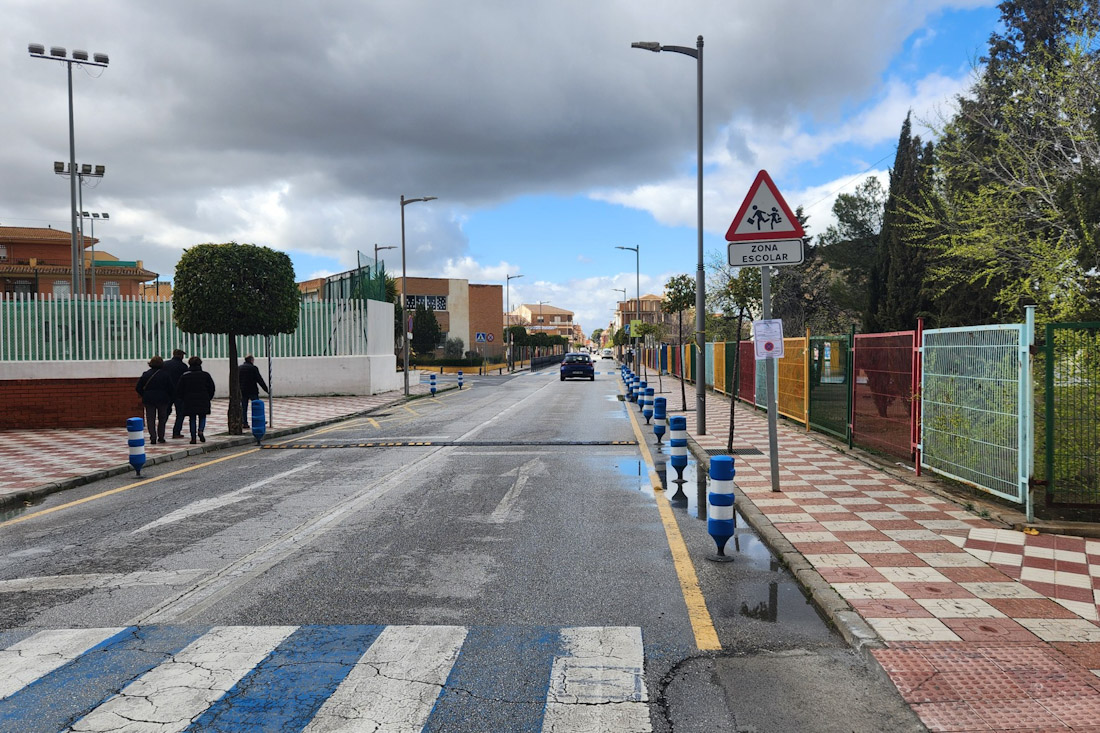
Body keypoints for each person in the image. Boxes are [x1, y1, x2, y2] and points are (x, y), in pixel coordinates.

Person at [177, 356, 215, 444]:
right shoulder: (205, 375)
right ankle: (201, 430)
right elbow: (211, 388)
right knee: (202, 416)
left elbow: (179, 389)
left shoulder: (185, 376)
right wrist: (208, 397)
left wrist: (183, 398)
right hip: (203, 399)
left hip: (189, 400)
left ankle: (193, 437)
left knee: (192, 418)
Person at [136, 355, 173, 444]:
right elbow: (171, 388)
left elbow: (138, 387)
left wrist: (144, 394)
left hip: (149, 399)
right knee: (162, 418)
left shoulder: (146, 374)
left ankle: (153, 437)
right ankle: (161, 436)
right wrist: (169, 397)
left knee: (150, 418)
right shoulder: (165, 375)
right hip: (162, 399)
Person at [238, 354, 269, 428]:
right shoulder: (253, 368)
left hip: (243, 391)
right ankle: (259, 420)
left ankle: (244, 423)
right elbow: (259, 379)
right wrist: (266, 389)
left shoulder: (239, 368)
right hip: (252, 390)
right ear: (251, 360)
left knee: (244, 407)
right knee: (257, 406)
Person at [163, 348, 188, 439]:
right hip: (179, 393)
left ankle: (161, 432)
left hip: (167, 392)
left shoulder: (165, 364)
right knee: (180, 413)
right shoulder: (183, 366)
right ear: (181, 356)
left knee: (165, 413)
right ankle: (176, 432)